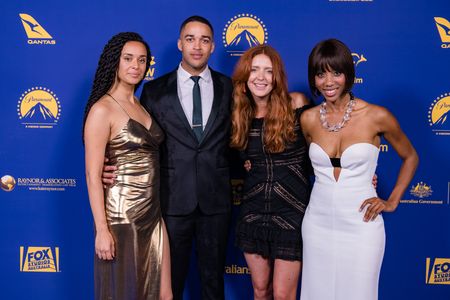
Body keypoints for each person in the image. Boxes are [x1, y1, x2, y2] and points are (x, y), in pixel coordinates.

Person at [103, 16, 233, 300]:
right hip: (171, 202)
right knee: (167, 286)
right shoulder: (153, 90)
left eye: (205, 40)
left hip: (216, 202)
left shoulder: (230, 88)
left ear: (213, 47)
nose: (197, 46)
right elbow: (137, 138)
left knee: (213, 283)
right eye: (190, 39)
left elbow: (240, 138)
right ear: (179, 44)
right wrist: (108, 164)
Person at [299, 38, 418, 300]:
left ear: (348, 75)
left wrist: (392, 200)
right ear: (313, 79)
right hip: (317, 223)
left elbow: (410, 157)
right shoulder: (307, 119)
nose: (328, 82)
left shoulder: (377, 116)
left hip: (361, 223)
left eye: (336, 73)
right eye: (320, 74)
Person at [83, 32, 172, 300]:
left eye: (142, 60)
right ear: (115, 62)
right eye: (128, 59)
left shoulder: (141, 105)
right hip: (122, 218)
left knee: (164, 294)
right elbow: (92, 174)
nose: (136, 66)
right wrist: (101, 229)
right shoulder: (102, 109)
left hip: (152, 215)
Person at [230, 45, 311, 300]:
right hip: (253, 214)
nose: (261, 77)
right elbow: (227, 159)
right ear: (245, 76)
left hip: (292, 214)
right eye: (254, 70)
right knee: (260, 290)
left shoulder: (296, 104)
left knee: (283, 294)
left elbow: (327, 141)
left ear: (277, 77)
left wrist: (355, 173)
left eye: (268, 71)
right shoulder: (239, 115)